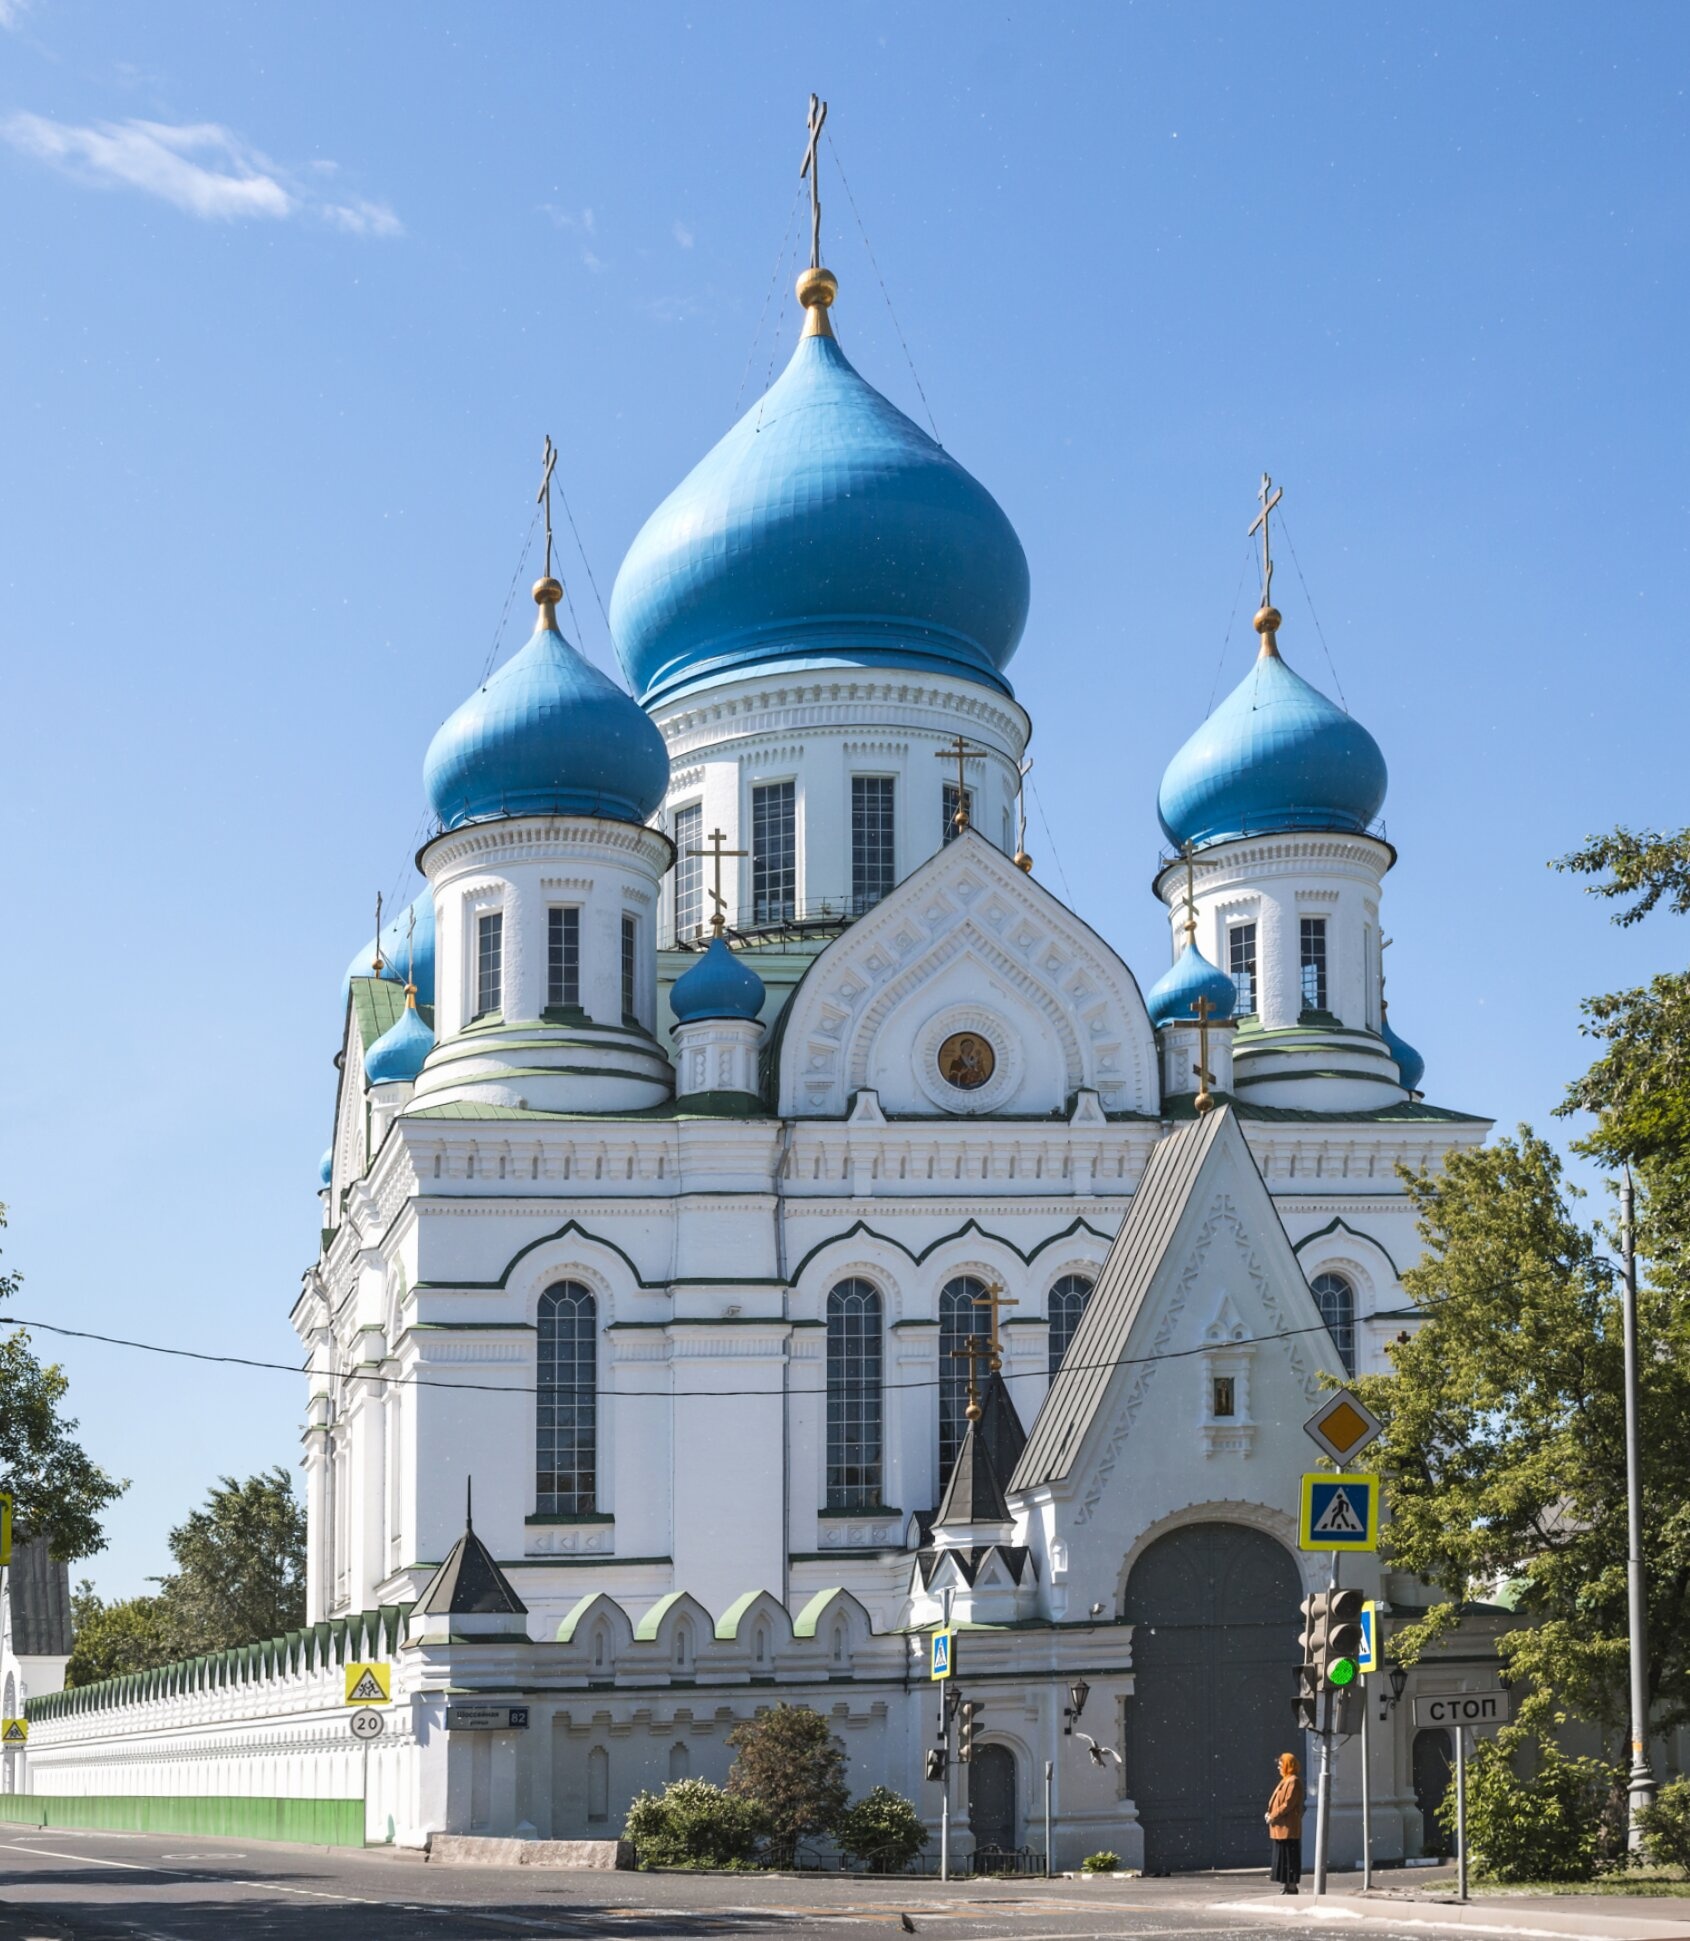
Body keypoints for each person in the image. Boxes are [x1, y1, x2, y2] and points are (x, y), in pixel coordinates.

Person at [1265, 1751, 1304, 1893]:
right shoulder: (1286, 1780)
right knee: (1283, 1857)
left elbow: (1288, 1803)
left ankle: (1291, 1886)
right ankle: (1287, 1885)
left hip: (1288, 1828)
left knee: (1289, 1857)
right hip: (1281, 1828)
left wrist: (1273, 1815)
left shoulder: (1293, 1781)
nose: (1278, 1768)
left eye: (1281, 1765)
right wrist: (1270, 1814)